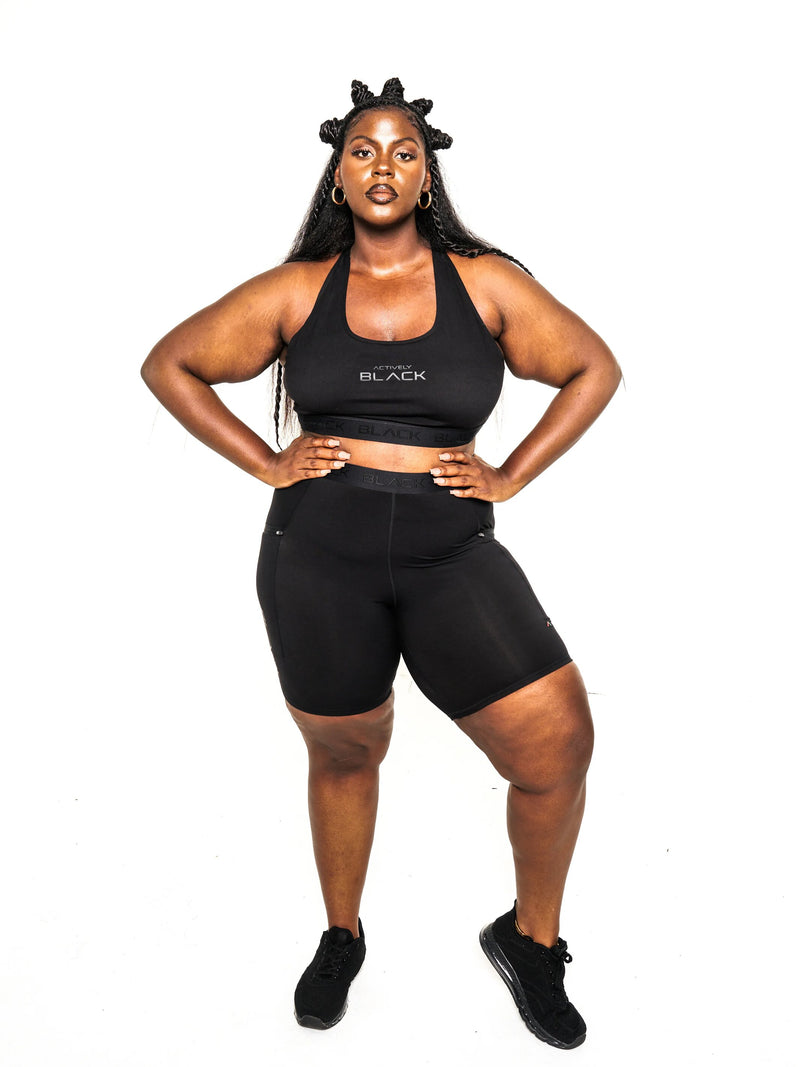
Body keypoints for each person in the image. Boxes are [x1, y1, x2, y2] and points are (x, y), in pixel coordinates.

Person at [141, 77, 621, 1049]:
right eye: (362, 150)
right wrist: (267, 461)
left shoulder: (484, 283)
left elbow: (591, 366)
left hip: (451, 553)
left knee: (555, 745)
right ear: (337, 178)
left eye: (405, 151)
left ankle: (530, 941)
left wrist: (511, 474)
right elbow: (171, 363)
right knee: (344, 750)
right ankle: (341, 934)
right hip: (316, 556)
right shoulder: (296, 291)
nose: (383, 166)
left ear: (426, 178)